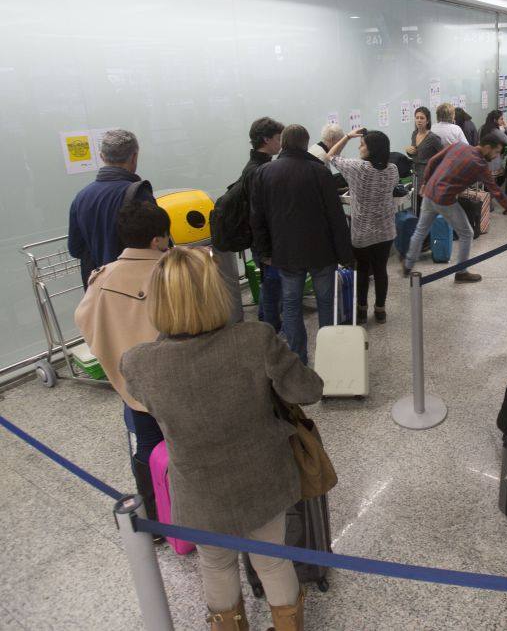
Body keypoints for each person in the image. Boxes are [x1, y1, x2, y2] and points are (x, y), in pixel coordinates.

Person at [120, 246, 321, 630]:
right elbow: (307, 390)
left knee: (215, 563)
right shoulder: (255, 339)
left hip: (199, 488)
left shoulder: (138, 362)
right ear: (216, 292)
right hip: (264, 477)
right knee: (273, 559)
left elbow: (149, 405)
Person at [74, 201, 170, 530]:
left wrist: (115, 358)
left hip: (131, 387)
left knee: (145, 448)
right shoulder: (173, 270)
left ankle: (156, 520)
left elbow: (84, 320)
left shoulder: (102, 277)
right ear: (158, 240)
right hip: (175, 382)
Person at [251, 124, 353, 363]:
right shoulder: (319, 172)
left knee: (291, 306)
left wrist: (264, 252)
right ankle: (330, 358)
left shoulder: (265, 173)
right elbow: (335, 217)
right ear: (306, 144)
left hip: (285, 254)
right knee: (326, 303)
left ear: (284, 143)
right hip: (322, 252)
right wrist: (345, 254)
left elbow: (257, 218)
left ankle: (299, 358)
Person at [403, 135, 507, 282]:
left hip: (429, 193)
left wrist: (425, 182)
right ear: (487, 148)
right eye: (496, 152)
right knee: (467, 233)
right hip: (445, 200)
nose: (496, 156)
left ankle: (408, 265)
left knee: (421, 230)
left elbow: (432, 161)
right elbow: (497, 192)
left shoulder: (459, 145)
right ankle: (461, 272)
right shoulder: (480, 165)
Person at [327, 128, 399, 324]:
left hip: (362, 232)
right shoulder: (393, 169)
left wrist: (348, 136)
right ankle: (380, 310)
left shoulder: (357, 168)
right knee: (381, 269)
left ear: (372, 148)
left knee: (363, 271)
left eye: (363, 144)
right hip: (385, 231)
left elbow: (331, 155)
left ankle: (361, 310)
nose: (360, 146)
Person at [68, 129, 155, 287]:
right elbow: (156, 242)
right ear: (134, 156)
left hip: (98, 288)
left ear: (102, 157)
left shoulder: (81, 197)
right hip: (135, 287)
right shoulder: (138, 193)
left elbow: (75, 248)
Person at [244, 116, 286, 332]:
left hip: (266, 239)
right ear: (266, 140)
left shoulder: (260, 166)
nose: (281, 142)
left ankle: (265, 322)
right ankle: (271, 332)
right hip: (266, 241)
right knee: (272, 286)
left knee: (270, 285)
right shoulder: (257, 171)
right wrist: (266, 251)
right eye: (278, 138)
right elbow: (259, 216)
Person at [407, 106, 444, 213]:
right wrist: (408, 151)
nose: (419, 120)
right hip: (415, 173)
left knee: (426, 204)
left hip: (428, 174)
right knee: (416, 202)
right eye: (417, 117)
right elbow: (414, 154)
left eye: (422, 118)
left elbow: (443, 155)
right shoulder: (414, 134)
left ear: (427, 120)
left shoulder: (433, 138)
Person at [478, 109, 507, 177]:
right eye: (501, 119)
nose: (503, 121)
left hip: (483, 161)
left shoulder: (482, 128)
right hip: (494, 162)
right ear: (495, 120)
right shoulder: (495, 131)